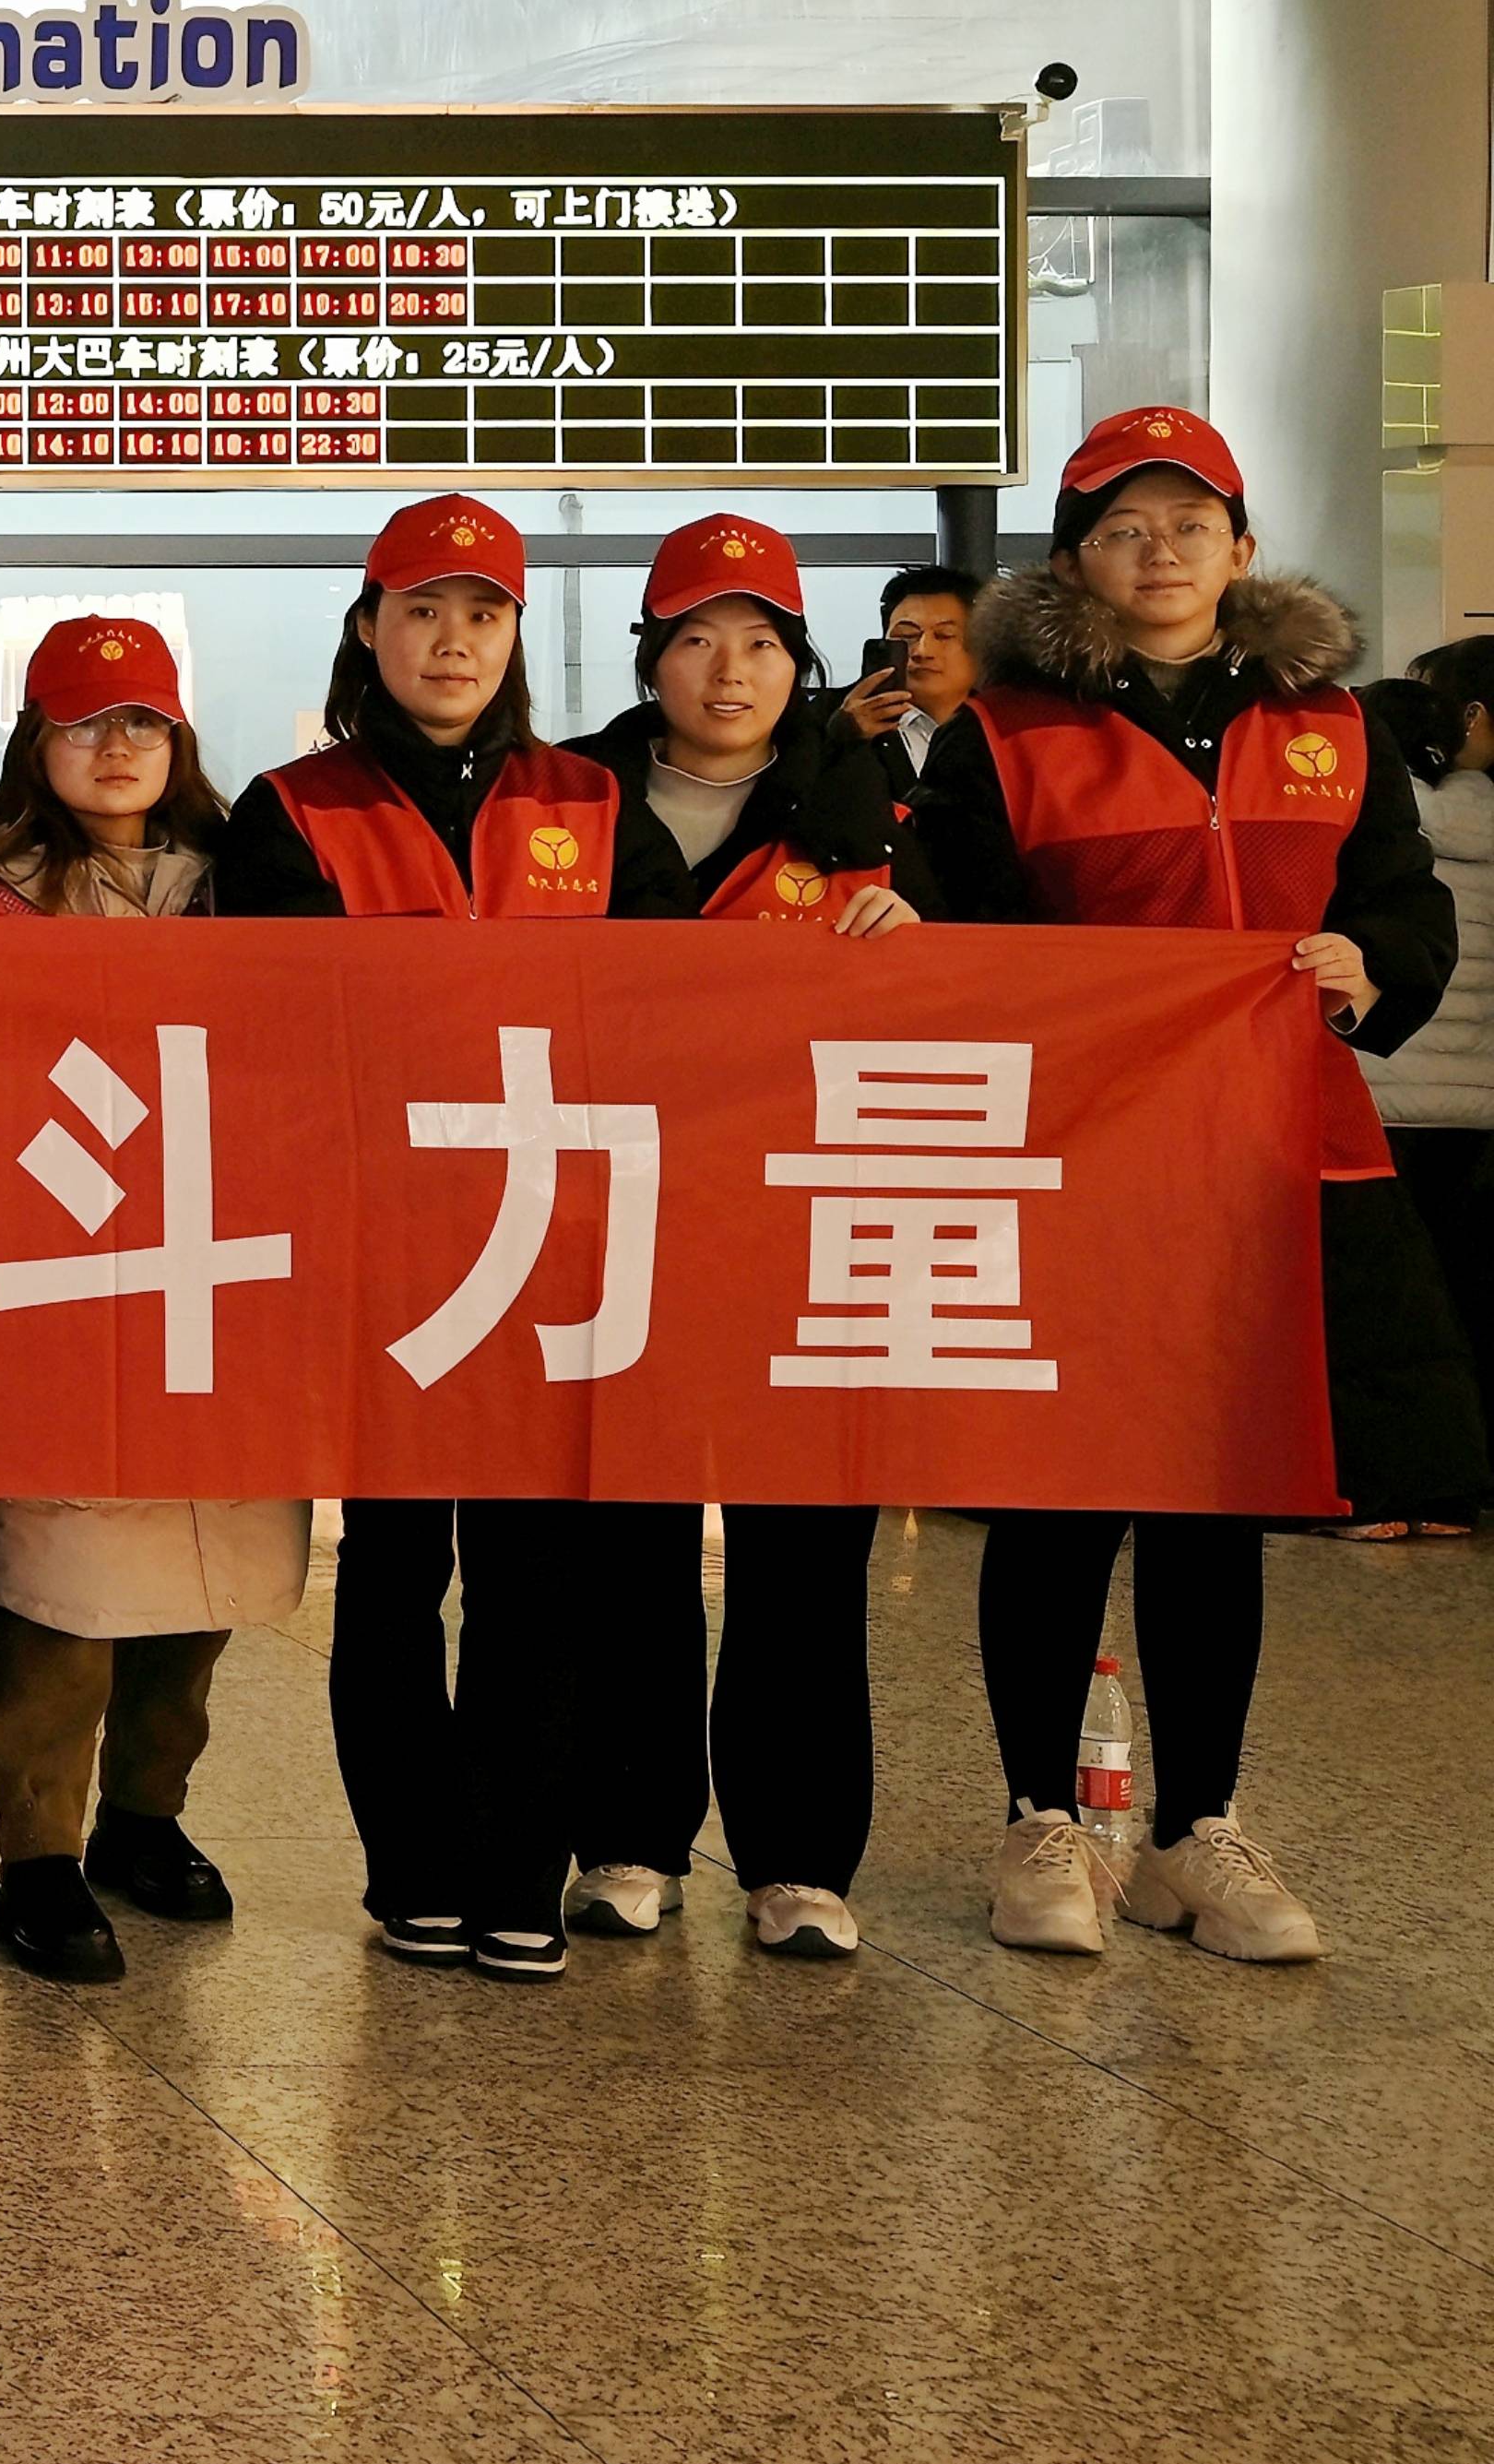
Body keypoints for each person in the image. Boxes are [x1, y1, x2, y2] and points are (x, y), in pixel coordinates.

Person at [896, 407, 1476, 1963]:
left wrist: (1374, 966)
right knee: (1061, 1494)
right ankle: (1040, 1816)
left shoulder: (1331, 724)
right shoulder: (1004, 736)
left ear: (1241, 546)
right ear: (1075, 558)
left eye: (1189, 523)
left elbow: (1404, 903)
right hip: (1075, 1167)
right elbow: (954, 933)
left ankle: (1194, 1830)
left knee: (1218, 1499)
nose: (1158, 552)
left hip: (1274, 1159)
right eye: (1123, 527)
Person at [220, 495, 697, 1984]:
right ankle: (412, 1868)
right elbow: (274, 1031)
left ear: (514, 635)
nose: (451, 639)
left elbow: (680, 1005)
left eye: (482, 612)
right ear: (369, 626)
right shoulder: (290, 808)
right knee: (391, 1568)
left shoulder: (592, 803)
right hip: (376, 1242)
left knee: (535, 1574)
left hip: (552, 1244)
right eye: (422, 609)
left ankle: (516, 1871)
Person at [565, 513, 922, 1964]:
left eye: (763, 643)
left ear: (800, 663)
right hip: (623, 1216)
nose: (730, 670)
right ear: (651, 657)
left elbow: (988, 986)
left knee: (808, 1553)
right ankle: (629, 1836)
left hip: (807, 1219)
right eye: (698, 640)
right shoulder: (563, 801)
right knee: (627, 1544)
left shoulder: (876, 809)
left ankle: (801, 1859)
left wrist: (924, 945)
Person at [0, 615, 302, 1989]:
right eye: (84, 720)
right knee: (65, 1575)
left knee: (201, 1566)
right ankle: (37, 1855)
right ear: (36, 740)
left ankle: (148, 1815)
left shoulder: (251, 885)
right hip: (60, 1266)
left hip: (215, 1258)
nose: (116, 744)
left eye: (142, 718)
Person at [1356, 634, 1494, 1537]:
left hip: (1378, 1096)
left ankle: (1386, 1485)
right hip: (1477, 1110)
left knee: (1383, 1312)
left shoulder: (1372, 834)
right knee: (1468, 1298)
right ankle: (1461, 1484)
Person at [840, 560, 983, 786]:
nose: (922, 651)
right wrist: (842, 739)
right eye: (907, 636)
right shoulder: (833, 720)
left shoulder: (1004, 728)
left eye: (944, 635)